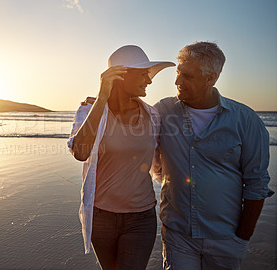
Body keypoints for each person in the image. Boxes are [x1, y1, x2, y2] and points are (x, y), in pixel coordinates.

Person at [152, 41, 274, 269]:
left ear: (211, 78)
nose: (177, 81)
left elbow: (257, 183)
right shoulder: (163, 111)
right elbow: (129, 122)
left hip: (226, 238)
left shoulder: (245, 120)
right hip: (178, 235)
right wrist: (102, 105)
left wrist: (242, 238)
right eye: (178, 74)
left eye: (187, 76)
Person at [67, 45, 175, 269]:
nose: (150, 81)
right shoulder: (89, 112)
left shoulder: (153, 115)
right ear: (121, 75)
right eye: (143, 74)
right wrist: (101, 98)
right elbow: (80, 152)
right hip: (101, 217)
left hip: (141, 217)